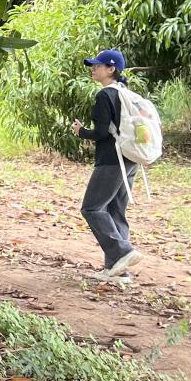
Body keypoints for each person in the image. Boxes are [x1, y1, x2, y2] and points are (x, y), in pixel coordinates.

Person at [72, 49, 142, 278]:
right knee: (115, 211)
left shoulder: (105, 95)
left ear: (111, 69)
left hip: (111, 160)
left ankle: (123, 251)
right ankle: (117, 271)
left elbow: (102, 133)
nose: (93, 69)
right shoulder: (125, 93)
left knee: (91, 208)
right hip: (130, 158)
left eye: (97, 65)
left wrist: (81, 132)